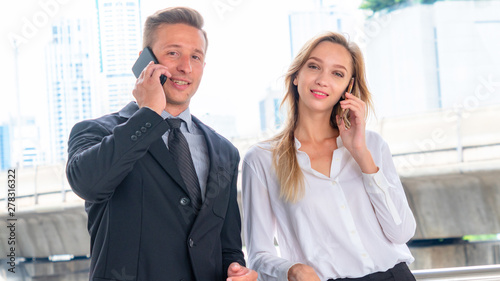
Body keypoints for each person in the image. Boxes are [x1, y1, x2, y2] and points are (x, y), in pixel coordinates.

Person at [66, 7, 257, 281]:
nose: (185, 67)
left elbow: (227, 247)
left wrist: (236, 270)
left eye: (196, 56)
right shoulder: (97, 132)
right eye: (173, 53)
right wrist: (149, 114)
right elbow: (88, 184)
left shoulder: (224, 152)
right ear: (145, 61)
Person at [242, 32, 417, 281]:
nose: (323, 80)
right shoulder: (261, 159)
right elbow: (258, 254)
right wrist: (292, 270)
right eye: (314, 66)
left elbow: (401, 232)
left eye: (337, 73)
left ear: (348, 86)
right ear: (296, 76)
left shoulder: (372, 145)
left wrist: (361, 154)